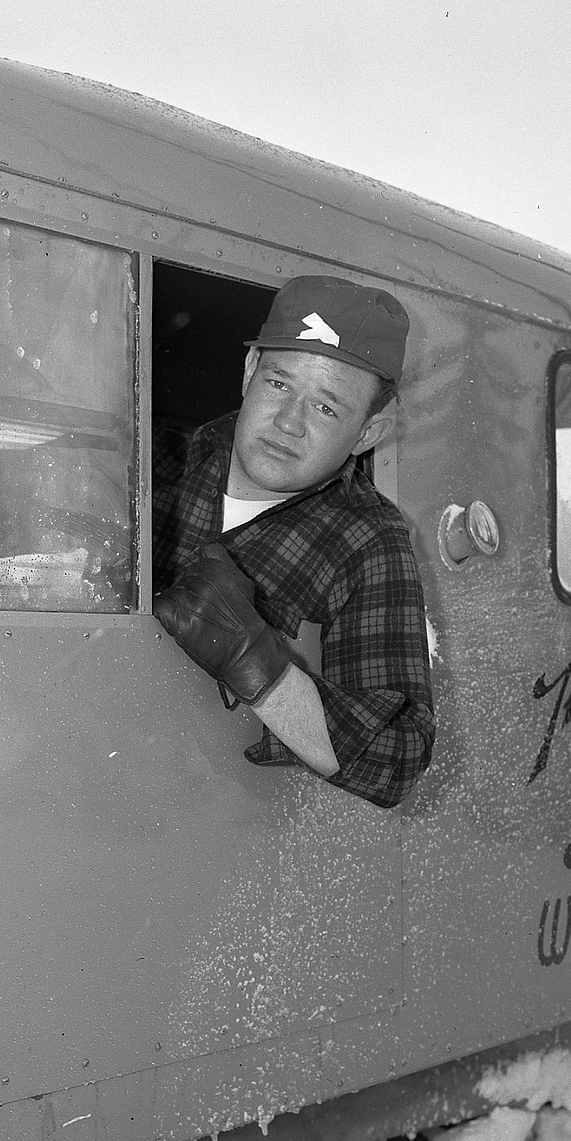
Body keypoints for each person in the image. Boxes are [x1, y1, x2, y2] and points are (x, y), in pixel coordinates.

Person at [152, 275, 434, 809]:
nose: (287, 423)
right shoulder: (158, 460)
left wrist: (253, 658)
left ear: (369, 434)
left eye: (326, 408)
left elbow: (397, 760)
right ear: (249, 371)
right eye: (280, 384)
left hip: (200, 818)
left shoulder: (368, 540)